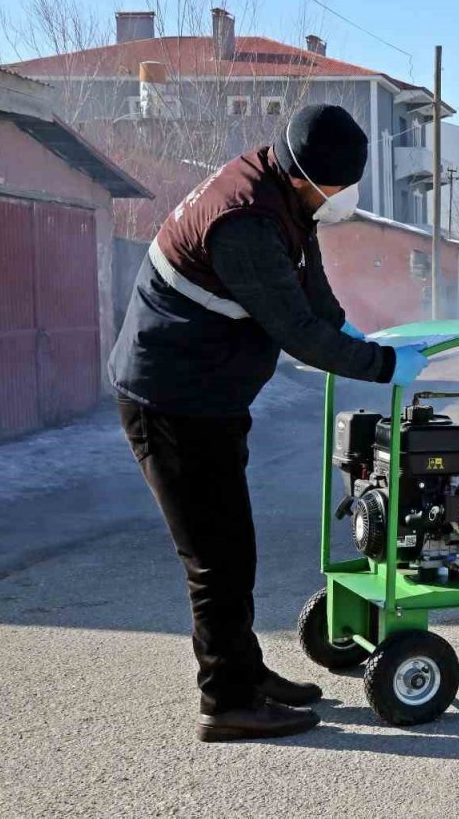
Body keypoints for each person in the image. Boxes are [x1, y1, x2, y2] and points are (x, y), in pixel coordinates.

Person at [109, 104, 429, 742]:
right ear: (310, 177)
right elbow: (297, 333)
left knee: (234, 548)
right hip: (172, 400)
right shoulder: (245, 222)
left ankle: (246, 672)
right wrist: (379, 363)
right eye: (337, 190)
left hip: (210, 398)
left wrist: (350, 329)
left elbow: (312, 292)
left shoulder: (281, 187)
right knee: (214, 558)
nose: (340, 200)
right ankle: (226, 702)